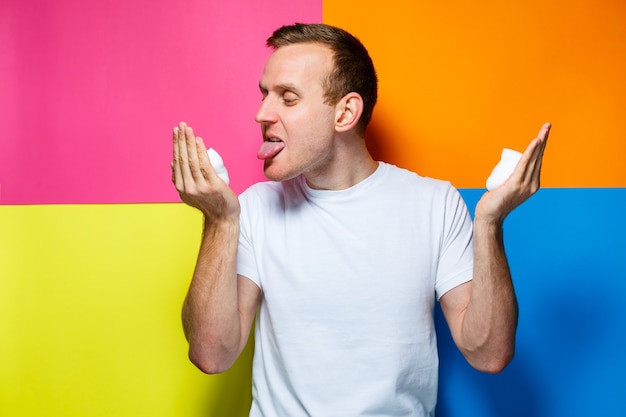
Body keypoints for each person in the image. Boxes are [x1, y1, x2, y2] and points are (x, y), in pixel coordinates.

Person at [171, 23, 550, 417]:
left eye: (287, 98)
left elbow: (488, 353)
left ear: (345, 112)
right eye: (264, 94)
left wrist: (489, 223)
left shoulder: (434, 203)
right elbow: (211, 354)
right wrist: (219, 220)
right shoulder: (253, 209)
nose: (262, 113)